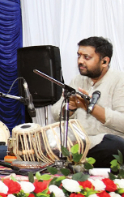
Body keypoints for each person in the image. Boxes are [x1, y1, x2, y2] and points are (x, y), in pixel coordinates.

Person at [51, 36, 124, 168]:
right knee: (40, 135)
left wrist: (90, 107)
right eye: (79, 56)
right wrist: (70, 106)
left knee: (116, 145)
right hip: (76, 141)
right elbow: (56, 113)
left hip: (102, 142)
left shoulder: (119, 81)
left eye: (86, 57)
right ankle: (73, 156)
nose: (80, 61)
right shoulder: (77, 81)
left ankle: (74, 158)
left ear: (105, 61)